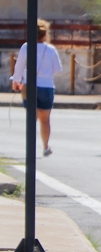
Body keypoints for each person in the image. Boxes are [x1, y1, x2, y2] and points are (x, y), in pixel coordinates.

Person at [10, 19, 62, 157]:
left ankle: (30, 148)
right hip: (46, 86)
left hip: (29, 86)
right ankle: (45, 147)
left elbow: (19, 67)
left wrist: (15, 82)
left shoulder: (26, 47)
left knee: (31, 118)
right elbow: (57, 69)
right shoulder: (50, 49)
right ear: (45, 34)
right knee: (45, 120)